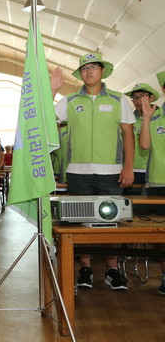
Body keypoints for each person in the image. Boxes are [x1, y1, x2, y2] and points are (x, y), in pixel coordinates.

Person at [51, 53, 134, 291]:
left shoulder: (119, 100)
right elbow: (46, 119)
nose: (89, 72)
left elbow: (128, 134)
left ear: (102, 71)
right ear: (80, 73)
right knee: (81, 223)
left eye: (94, 67)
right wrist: (53, 90)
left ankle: (112, 270)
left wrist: (128, 166)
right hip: (78, 171)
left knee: (112, 222)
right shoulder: (70, 100)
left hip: (111, 171)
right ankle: (85, 269)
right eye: (85, 68)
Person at [138, 70, 165, 295]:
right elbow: (145, 145)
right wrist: (146, 118)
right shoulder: (155, 117)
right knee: (161, 235)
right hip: (159, 182)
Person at [124, 83, 160, 186]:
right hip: (131, 171)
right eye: (134, 98)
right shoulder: (127, 119)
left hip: (156, 171)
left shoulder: (161, 117)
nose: (138, 100)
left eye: (142, 96)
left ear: (151, 97)